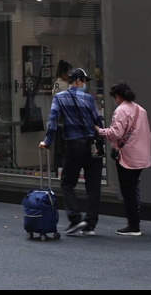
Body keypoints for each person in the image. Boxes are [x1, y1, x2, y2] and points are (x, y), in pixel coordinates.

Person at [39, 67, 103, 236]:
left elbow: (52, 120)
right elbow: (98, 121)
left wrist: (48, 141)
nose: (85, 84)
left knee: (67, 182)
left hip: (74, 145)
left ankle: (75, 218)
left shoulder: (59, 97)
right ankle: (90, 225)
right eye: (84, 81)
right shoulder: (89, 99)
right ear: (78, 81)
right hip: (92, 145)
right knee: (93, 186)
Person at [95, 81, 151, 236]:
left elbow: (115, 133)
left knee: (128, 191)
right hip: (141, 155)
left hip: (127, 157)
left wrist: (99, 131)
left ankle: (134, 225)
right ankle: (135, 222)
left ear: (117, 96)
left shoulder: (121, 111)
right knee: (133, 188)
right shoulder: (140, 110)